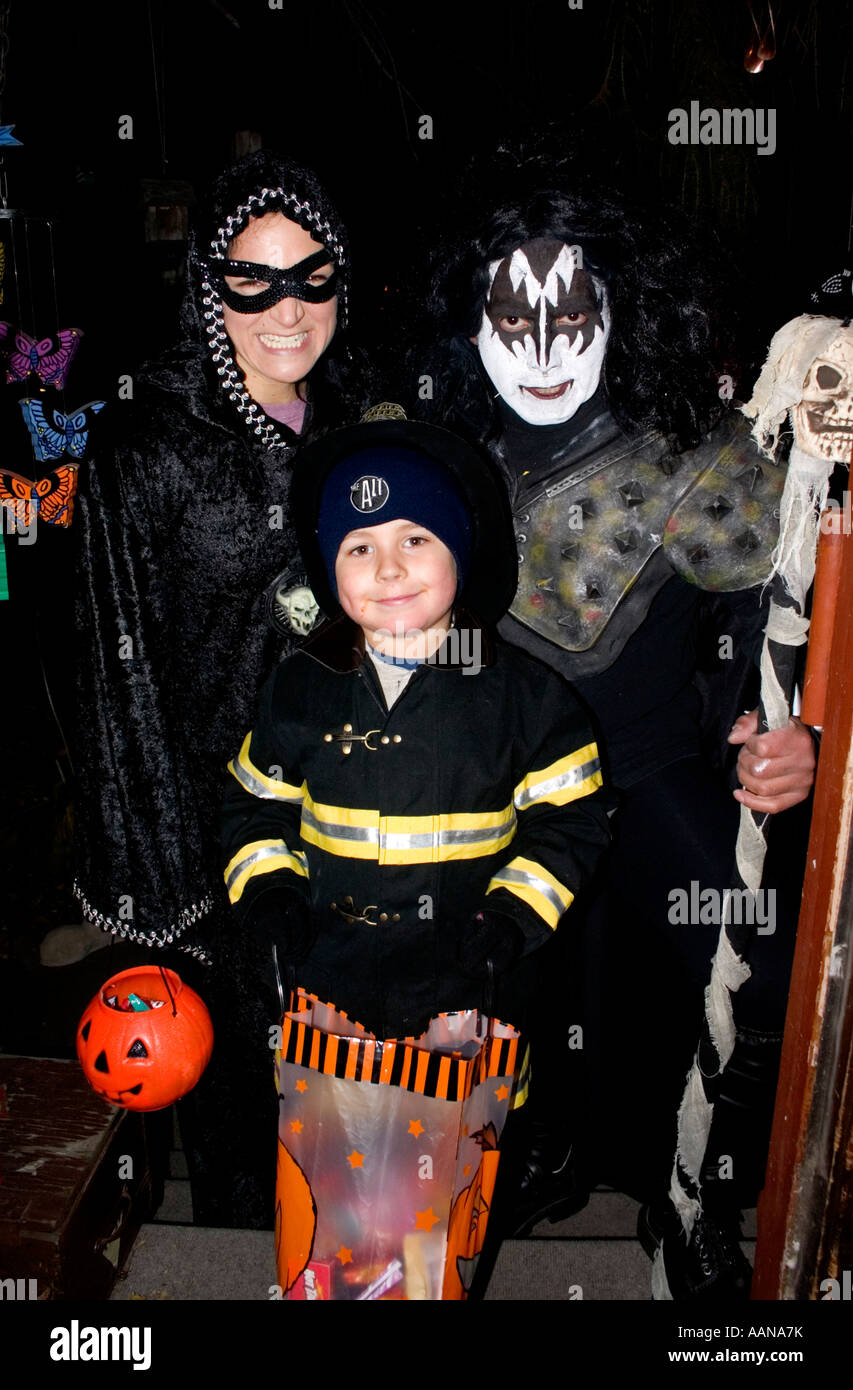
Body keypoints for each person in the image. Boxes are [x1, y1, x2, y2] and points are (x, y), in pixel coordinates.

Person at [414, 171, 817, 1298]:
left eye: (571, 316)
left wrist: (788, 729)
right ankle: (502, 1171)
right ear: (471, 319)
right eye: (512, 318)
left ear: (621, 310)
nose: (542, 347)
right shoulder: (435, 452)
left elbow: (785, 606)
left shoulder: (695, 453)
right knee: (458, 993)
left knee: (757, 971)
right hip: (485, 785)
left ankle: (691, 1199)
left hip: (644, 772)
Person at [71, 149, 371, 1227]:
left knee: (355, 1111)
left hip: (358, 814)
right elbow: (116, 668)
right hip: (216, 833)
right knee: (247, 1112)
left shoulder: (361, 427)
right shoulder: (143, 444)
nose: (284, 310)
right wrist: (156, 881)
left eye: (310, 276)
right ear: (210, 287)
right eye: (252, 278)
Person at [221, 417, 614, 1048]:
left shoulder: (530, 700)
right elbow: (254, 808)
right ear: (330, 572)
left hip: (469, 1006)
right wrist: (269, 892)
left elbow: (573, 823)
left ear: (458, 548)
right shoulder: (296, 690)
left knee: (464, 1143)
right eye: (359, 548)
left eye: (415, 539)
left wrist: (512, 918)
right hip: (330, 997)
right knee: (330, 1142)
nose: (388, 570)